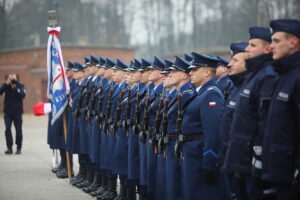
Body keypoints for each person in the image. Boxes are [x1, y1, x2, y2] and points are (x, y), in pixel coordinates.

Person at [224, 26, 277, 199]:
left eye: (253, 45)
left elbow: (266, 123)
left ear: (267, 48)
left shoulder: (266, 76)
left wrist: (258, 159)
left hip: (254, 163)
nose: (248, 48)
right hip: (241, 162)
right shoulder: (251, 78)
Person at [262, 19, 300, 200]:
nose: (271, 47)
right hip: (277, 170)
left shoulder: (296, 77)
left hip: (290, 173)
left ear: (293, 42)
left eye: (277, 41)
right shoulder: (283, 75)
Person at [0, 73, 26, 154]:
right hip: (7, 112)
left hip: (17, 112)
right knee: (7, 129)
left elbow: (22, 95)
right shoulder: (6, 86)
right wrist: (5, 84)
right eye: (10, 78)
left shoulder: (20, 85)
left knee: (18, 130)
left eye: (13, 78)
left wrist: (16, 86)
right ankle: (9, 148)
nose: (12, 80)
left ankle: (19, 148)